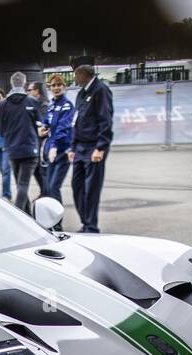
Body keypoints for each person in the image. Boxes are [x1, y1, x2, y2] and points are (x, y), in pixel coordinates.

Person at [68, 59, 114, 233]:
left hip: (94, 147)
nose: (74, 77)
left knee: (91, 189)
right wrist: (72, 147)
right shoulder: (81, 93)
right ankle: (85, 221)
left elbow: (105, 120)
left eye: (75, 73)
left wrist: (100, 147)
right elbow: (76, 121)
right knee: (77, 186)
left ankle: (91, 226)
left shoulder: (101, 90)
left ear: (82, 73)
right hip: (80, 147)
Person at [0, 72, 45, 213]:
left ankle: (27, 215)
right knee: (22, 185)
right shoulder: (32, 102)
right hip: (30, 149)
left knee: (20, 185)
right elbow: (40, 125)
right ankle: (19, 214)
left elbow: (0, 130)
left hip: (12, 149)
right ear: (24, 84)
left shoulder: (2, 105)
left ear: (12, 84)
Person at [41, 73, 75, 201]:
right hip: (50, 152)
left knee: (54, 187)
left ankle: (57, 220)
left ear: (64, 86)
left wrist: (54, 146)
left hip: (62, 152)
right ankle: (51, 219)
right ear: (50, 88)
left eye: (59, 85)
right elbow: (46, 121)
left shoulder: (67, 105)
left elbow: (63, 128)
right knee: (49, 188)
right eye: (53, 85)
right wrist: (42, 128)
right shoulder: (51, 106)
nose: (56, 88)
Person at [27, 81, 48, 196]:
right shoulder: (32, 104)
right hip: (34, 141)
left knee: (41, 169)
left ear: (37, 91)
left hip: (42, 143)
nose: (28, 92)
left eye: (30, 90)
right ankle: (43, 192)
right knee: (36, 169)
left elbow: (44, 126)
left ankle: (46, 193)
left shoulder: (43, 105)